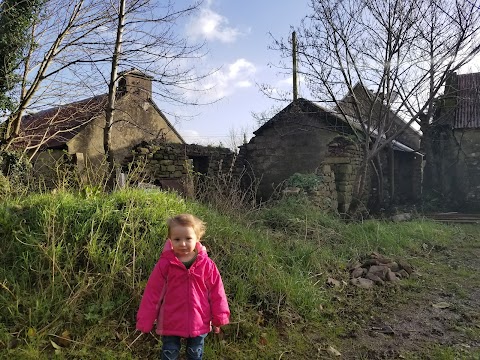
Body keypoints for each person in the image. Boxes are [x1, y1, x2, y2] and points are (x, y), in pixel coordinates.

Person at [136, 213, 230, 360]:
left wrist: (219, 317)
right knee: (170, 352)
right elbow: (152, 294)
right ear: (170, 240)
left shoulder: (207, 265)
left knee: (195, 353)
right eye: (177, 239)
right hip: (170, 321)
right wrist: (145, 320)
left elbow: (217, 293)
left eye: (188, 238)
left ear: (198, 239)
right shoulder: (165, 265)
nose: (183, 243)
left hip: (199, 320)